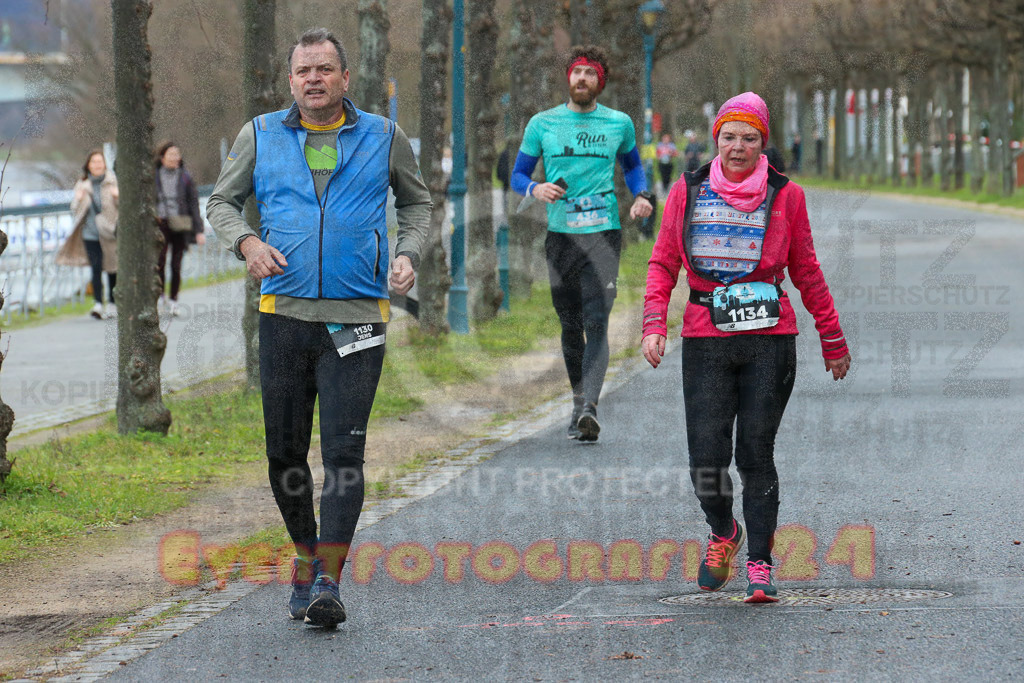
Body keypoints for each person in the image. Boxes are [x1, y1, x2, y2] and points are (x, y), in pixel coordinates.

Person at [206, 27, 430, 627]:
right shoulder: (259, 134)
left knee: (344, 451)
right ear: (290, 80)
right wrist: (248, 243)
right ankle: (305, 557)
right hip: (284, 316)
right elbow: (221, 203)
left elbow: (416, 204)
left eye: (325, 69)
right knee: (284, 452)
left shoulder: (383, 136)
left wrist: (407, 252)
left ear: (345, 77)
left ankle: (328, 578)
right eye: (304, 70)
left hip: (357, 318)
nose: (314, 79)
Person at [641, 92, 851, 604]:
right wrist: (653, 322)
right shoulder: (688, 191)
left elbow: (806, 269)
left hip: (769, 340)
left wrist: (832, 337)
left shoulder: (787, 196)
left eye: (749, 138)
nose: (738, 147)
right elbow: (663, 262)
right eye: (729, 136)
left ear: (763, 143)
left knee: (755, 453)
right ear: (717, 139)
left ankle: (760, 563)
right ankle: (723, 531)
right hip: (705, 337)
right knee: (706, 459)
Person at [511, 44, 654, 443]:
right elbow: (518, 175)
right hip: (561, 237)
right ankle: (578, 402)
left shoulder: (619, 123)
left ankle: (590, 406)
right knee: (571, 324)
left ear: (599, 82)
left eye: (590, 73)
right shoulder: (542, 124)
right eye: (577, 72)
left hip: (603, 233)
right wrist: (536, 188)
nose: (582, 79)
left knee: (596, 320)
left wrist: (642, 196)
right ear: (568, 78)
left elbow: (633, 167)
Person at [57, 149, 118, 319]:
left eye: (100, 162)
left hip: (110, 232)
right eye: (94, 162)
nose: (97, 165)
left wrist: (117, 197)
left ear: (105, 164)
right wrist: (77, 199)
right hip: (90, 233)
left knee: (112, 268)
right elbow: (75, 210)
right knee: (96, 268)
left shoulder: (113, 182)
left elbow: (123, 207)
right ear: (88, 165)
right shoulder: (82, 184)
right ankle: (98, 304)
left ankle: (112, 303)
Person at [154, 141, 205, 316]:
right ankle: (160, 296)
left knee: (176, 264)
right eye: (171, 154)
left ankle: (174, 300)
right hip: (160, 223)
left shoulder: (185, 177)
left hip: (180, 223)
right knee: (159, 262)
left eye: (177, 154)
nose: (175, 157)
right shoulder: (154, 176)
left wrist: (199, 230)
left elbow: (193, 204)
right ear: (162, 157)